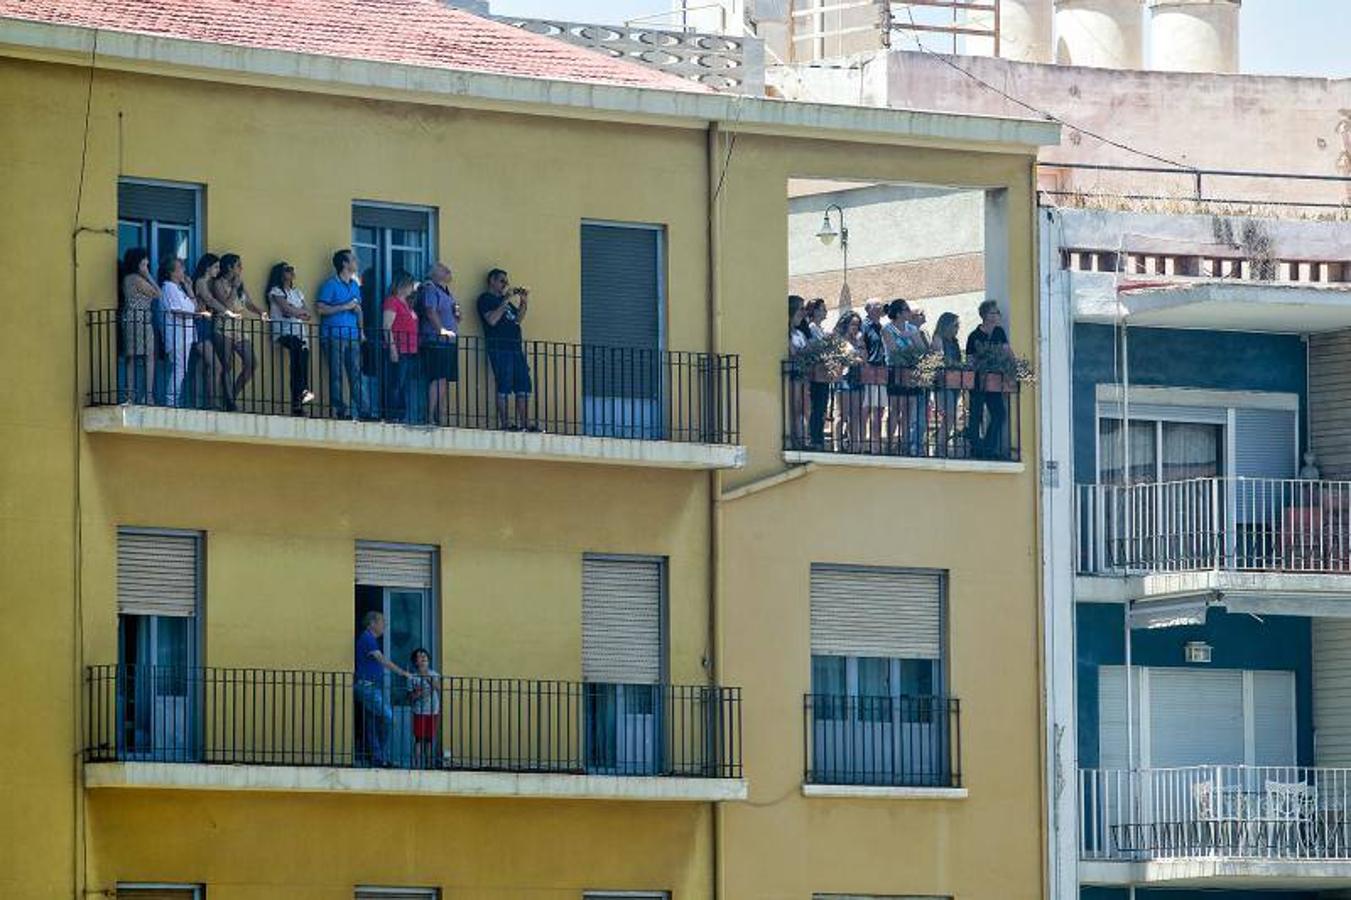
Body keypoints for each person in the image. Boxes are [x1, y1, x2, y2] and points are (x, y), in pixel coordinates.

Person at [477, 268, 535, 431]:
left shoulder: (506, 302)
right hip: (499, 348)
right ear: (492, 281)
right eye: (502, 281)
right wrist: (505, 299)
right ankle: (505, 423)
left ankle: (525, 423)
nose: (505, 284)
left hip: (515, 348)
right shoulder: (485, 299)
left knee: (523, 384)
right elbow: (492, 320)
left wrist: (523, 301)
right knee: (504, 383)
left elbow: (517, 319)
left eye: (506, 281)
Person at [208, 253, 267, 410]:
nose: (241, 268)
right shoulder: (218, 283)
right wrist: (234, 287)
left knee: (251, 363)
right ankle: (229, 401)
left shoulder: (240, 284)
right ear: (230, 267)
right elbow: (225, 305)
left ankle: (231, 396)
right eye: (238, 265)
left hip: (239, 327)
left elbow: (248, 303)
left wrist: (260, 312)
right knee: (226, 365)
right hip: (223, 325)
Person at [354, 611, 412, 768]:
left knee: (372, 725)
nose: (385, 625)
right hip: (368, 688)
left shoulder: (368, 639)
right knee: (388, 718)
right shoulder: (368, 639)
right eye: (382, 622)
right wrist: (403, 673)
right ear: (372, 623)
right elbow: (382, 660)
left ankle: (378, 758)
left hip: (371, 687)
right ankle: (379, 755)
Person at [316, 249, 368, 420]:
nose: (356, 261)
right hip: (333, 336)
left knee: (356, 373)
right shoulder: (330, 284)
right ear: (344, 264)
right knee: (336, 374)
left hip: (352, 336)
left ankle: (364, 410)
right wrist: (344, 306)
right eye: (353, 259)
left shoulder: (354, 285)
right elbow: (321, 308)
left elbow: (358, 310)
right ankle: (341, 409)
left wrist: (361, 332)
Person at [265, 262, 315, 416]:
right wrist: (296, 312)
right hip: (284, 332)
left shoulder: (297, 293)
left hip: (300, 333)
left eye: (293, 269)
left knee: (300, 364)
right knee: (297, 360)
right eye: (288, 270)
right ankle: (300, 396)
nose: (292, 272)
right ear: (281, 273)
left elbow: (307, 313)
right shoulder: (275, 291)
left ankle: (300, 398)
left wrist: (295, 312)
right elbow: (285, 309)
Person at [965, 299, 1010, 459]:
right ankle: (976, 448)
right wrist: (981, 364)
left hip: (995, 382)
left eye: (998, 312)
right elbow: (970, 360)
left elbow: (1006, 352)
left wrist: (1013, 368)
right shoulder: (974, 336)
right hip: (978, 381)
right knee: (976, 415)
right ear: (985, 315)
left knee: (999, 414)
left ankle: (989, 447)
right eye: (994, 312)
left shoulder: (999, 332)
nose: (998, 315)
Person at [416, 263, 460, 426]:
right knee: (437, 377)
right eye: (443, 268)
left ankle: (440, 416)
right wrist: (441, 330)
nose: (449, 270)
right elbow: (430, 311)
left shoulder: (447, 292)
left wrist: (457, 315)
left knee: (444, 379)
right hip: (436, 341)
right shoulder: (431, 289)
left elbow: (454, 315)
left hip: (448, 342)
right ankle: (430, 416)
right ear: (434, 274)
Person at [119, 248, 160, 404]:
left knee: (131, 357)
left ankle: (130, 394)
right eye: (145, 261)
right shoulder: (136, 279)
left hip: (130, 319)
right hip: (141, 320)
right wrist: (147, 274)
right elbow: (158, 294)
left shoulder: (127, 279)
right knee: (149, 356)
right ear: (138, 262)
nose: (147, 263)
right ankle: (147, 395)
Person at [158, 256, 198, 408]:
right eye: (181, 268)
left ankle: (173, 400)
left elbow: (194, 306)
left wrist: (189, 287)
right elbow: (176, 311)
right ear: (172, 272)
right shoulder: (168, 287)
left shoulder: (178, 289)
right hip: (177, 336)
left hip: (184, 336)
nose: (184, 271)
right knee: (179, 368)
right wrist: (197, 315)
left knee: (181, 368)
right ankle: (171, 402)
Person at [382, 271, 421, 424]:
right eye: (410, 284)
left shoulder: (407, 303)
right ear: (403, 285)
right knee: (396, 383)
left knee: (403, 383)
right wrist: (392, 349)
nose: (412, 287)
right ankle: (393, 415)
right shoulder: (392, 301)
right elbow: (386, 326)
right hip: (399, 349)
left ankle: (401, 414)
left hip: (410, 350)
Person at [189, 254, 223, 409]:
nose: (218, 270)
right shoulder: (202, 282)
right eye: (216, 266)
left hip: (204, 325)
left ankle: (199, 402)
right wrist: (228, 312)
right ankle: (212, 402)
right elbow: (209, 300)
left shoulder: (208, 282)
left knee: (201, 366)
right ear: (207, 267)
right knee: (216, 365)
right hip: (200, 325)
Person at [931, 311, 963, 456]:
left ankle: (940, 444)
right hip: (942, 383)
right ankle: (940, 447)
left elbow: (957, 361)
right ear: (947, 325)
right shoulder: (938, 338)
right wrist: (954, 364)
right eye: (955, 325)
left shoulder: (955, 342)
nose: (958, 328)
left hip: (954, 382)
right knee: (949, 416)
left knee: (951, 417)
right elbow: (939, 359)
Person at [406, 647, 442, 770]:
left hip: (433, 711)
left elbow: (438, 687)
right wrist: (418, 694)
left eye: (425, 657)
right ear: (415, 662)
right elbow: (410, 697)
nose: (423, 660)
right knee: (419, 740)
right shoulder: (412, 677)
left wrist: (426, 675)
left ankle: (429, 764)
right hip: (419, 711)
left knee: (430, 739)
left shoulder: (434, 674)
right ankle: (416, 765)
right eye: (420, 658)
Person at [833, 311, 864, 451]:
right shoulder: (839, 340)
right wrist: (855, 359)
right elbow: (841, 358)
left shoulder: (858, 340)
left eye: (858, 325)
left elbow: (865, 358)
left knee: (855, 414)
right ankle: (837, 445)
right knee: (841, 414)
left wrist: (860, 346)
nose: (855, 327)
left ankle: (855, 445)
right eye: (853, 324)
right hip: (844, 377)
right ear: (846, 324)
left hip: (857, 377)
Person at [861, 300, 889, 454]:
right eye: (878, 305)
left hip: (881, 370)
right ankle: (864, 442)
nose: (881, 308)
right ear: (869, 309)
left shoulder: (881, 327)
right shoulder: (865, 326)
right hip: (870, 369)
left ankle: (875, 443)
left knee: (879, 408)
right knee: (867, 408)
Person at [804, 299, 830, 449]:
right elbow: (817, 348)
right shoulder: (812, 328)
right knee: (817, 406)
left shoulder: (820, 328)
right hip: (816, 372)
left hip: (823, 373)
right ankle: (815, 438)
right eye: (822, 309)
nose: (825, 311)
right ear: (815, 311)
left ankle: (818, 436)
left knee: (822, 407)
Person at [787, 296, 810, 448]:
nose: (804, 312)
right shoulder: (786, 334)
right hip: (793, 375)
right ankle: (796, 440)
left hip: (803, 375)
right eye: (801, 308)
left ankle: (804, 438)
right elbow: (792, 352)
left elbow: (805, 351)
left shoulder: (800, 334)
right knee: (795, 408)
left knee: (805, 408)